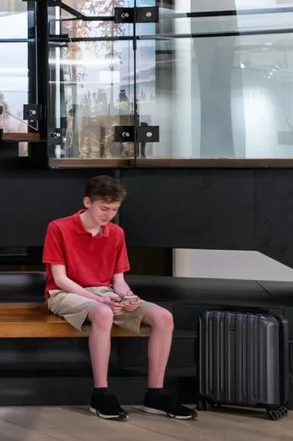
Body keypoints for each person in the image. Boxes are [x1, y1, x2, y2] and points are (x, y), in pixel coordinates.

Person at [45, 172, 193, 421]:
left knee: (164, 318)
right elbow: (60, 279)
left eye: (114, 210)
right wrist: (98, 300)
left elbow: (119, 282)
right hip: (64, 293)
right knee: (103, 313)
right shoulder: (58, 227)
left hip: (105, 293)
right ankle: (100, 394)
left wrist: (128, 297)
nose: (109, 215)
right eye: (104, 208)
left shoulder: (115, 233)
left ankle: (155, 394)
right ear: (87, 202)